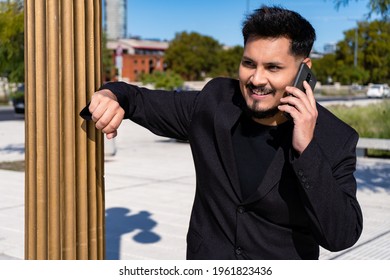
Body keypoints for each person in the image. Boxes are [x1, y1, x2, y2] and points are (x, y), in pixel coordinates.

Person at [83, 5, 363, 259]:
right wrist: (111, 95)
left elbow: (341, 236)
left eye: (273, 68)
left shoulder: (335, 138)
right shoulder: (215, 101)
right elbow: (138, 99)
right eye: (249, 63)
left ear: (304, 70)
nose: (257, 79)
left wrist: (307, 149)